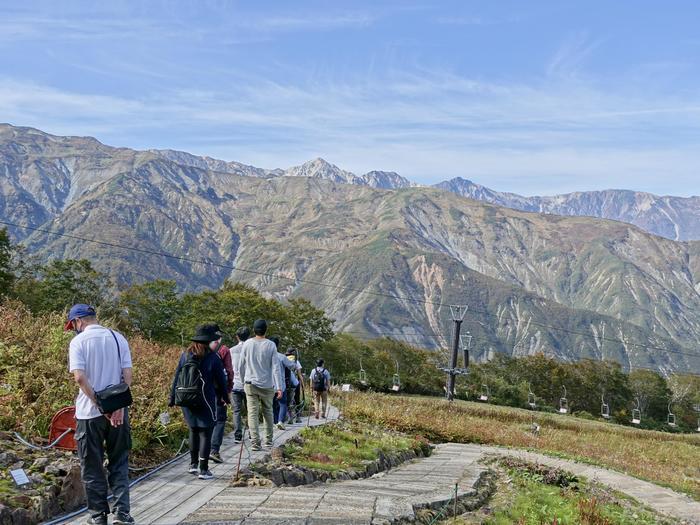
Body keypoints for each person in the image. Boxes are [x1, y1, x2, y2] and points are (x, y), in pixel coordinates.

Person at [66, 304, 134, 525]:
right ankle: (122, 513)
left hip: (88, 414)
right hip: (118, 415)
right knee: (119, 461)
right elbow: (127, 375)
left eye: (73, 324)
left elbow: (79, 378)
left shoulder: (78, 342)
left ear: (78, 321)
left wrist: (100, 405)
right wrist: (117, 408)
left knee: (92, 465)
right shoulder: (118, 338)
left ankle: (98, 516)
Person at [169, 325, 228, 480]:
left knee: (193, 430)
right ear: (209, 341)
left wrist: (172, 398)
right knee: (205, 433)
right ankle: (204, 469)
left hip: (186, 399)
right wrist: (225, 398)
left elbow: (177, 376)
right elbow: (221, 381)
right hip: (205, 399)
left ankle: (193, 465)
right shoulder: (212, 357)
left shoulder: (185, 355)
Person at [239, 319, 282, 451]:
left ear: (254, 330)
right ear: (266, 330)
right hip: (267, 385)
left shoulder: (247, 344)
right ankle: (268, 441)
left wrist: (242, 381)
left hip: (250, 384)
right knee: (268, 412)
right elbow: (276, 368)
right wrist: (279, 387)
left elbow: (241, 365)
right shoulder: (271, 345)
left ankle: (255, 443)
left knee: (252, 413)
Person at [208, 324, 233, 464]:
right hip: (218, 391)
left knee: (204, 420)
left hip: (203, 391)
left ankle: (199, 455)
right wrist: (228, 391)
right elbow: (229, 372)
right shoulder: (224, 350)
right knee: (219, 420)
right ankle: (214, 450)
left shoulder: (199, 348)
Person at [269, 336, 296, 430]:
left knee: (272, 404)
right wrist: (294, 361)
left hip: (268, 384)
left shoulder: (265, 356)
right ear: (277, 345)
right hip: (280, 384)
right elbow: (292, 366)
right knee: (282, 403)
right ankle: (280, 421)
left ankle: (274, 421)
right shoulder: (281, 356)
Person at [229, 326, 250, 443]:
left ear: (237, 337)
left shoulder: (231, 350)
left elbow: (228, 368)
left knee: (236, 411)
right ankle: (252, 434)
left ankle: (237, 436)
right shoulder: (252, 350)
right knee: (250, 410)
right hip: (248, 384)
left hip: (235, 384)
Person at [285, 348, 302, 424]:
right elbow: (299, 374)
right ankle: (298, 417)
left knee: (288, 401)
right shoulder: (296, 361)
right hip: (295, 383)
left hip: (285, 383)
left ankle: (290, 418)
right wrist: (303, 385)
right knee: (297, 400)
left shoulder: (284, 359)